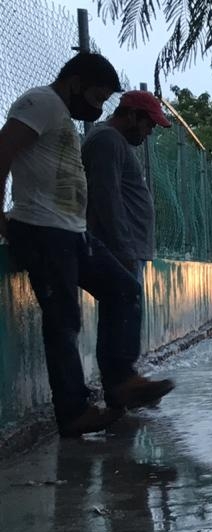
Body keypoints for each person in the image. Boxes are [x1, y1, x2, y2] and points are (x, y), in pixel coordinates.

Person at [0, 54, 172, 438]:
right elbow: (3, 150)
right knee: (63, 320)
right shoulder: (40, 102)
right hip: (41, 227)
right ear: (75, 83)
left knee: (124, 290)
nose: (96, 108)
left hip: (71, 230)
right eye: (96, 97)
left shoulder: (61, 114)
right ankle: (74, 412)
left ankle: (120, 382)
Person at [81, 90, 177, 414]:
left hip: (126, 247)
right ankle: (123, 382)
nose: (149, 132)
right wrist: (120, 248)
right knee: (124, 302)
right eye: (148, 124)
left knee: (120, 308)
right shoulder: (107, 140)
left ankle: (121, 389)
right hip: (117, 247)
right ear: (132, 115)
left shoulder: (114, 142)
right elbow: (105, 197)